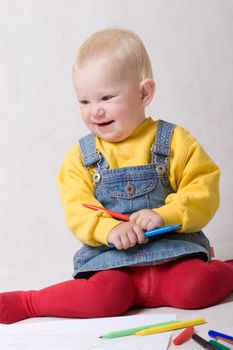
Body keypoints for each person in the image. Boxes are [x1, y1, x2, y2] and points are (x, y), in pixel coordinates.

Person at [1, 28, 233, 324]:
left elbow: (203, 187)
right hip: (114, 265)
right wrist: (108, 229)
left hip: (174, 257)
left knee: (195, 289)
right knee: (102, 298)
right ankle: (30, 303)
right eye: (84, 102)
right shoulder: (82, 157)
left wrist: (166, 214)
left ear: (143, 93)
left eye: (106, 98)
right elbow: (77, 207)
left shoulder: (174, 141)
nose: (95, 111)